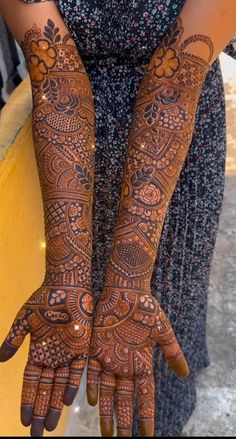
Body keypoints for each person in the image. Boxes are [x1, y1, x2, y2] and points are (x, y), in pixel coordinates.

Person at [0, 0, 235, 437]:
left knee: (166, 308)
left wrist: (128, 280)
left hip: (177, 167)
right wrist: (68, 274)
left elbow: (177, 81)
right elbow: (54, 72)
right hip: (66, 172)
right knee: (101, 326)